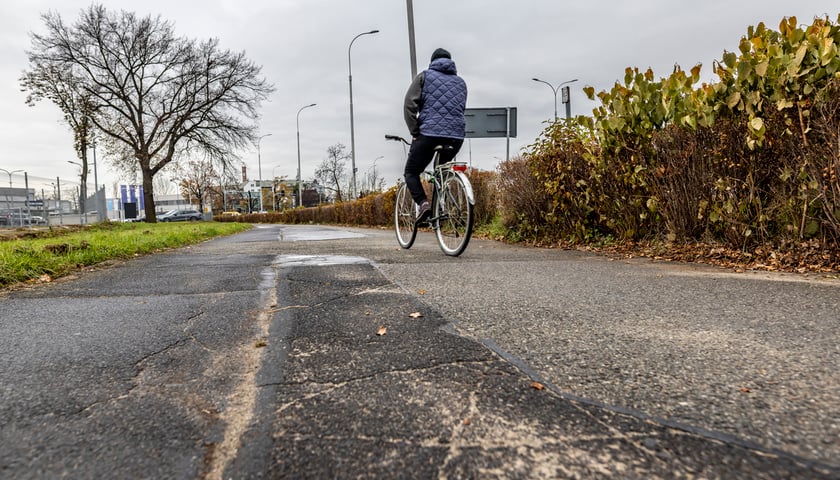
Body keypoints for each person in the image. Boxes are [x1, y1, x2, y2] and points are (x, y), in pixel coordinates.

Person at [403, 47, 467, 222]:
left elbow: (409, 105)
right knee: (441, 173)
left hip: (429, 134)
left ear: (432, 62)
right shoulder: (461, 82)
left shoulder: (424, 76)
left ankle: (424, 205)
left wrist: (414, 131)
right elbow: (460, 109)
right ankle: (441, 207)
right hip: (456, 136)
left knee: (411, 172)